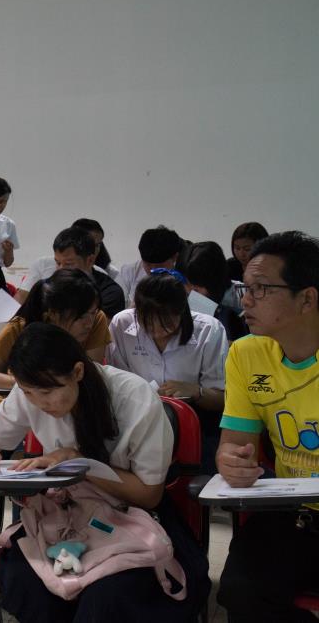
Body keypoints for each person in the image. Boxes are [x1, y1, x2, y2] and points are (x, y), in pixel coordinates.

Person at [0, 322, 209, 622]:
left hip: (133, 518)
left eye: (48, 392)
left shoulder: (134, 398)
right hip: (67, 516)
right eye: (29, 393)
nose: (39, 403)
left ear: (78, 372)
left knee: (108, 595)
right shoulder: (29, 391)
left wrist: (79, 463)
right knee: (23, 576)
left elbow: (148, 495)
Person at [215, 231, 319, 623]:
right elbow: (233, 442)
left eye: (261, 289)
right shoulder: (246, 354)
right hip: (292, 511)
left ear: (306, 298)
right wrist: (231, 462)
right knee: (240, 591)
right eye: (245, 287)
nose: (245, 300)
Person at [108, 270, 228, 472]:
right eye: (147, 323)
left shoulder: (209, 329)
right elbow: (115, 385)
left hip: (195, 422)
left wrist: (196, 391)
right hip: (135, 421)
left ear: (182, 312)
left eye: (166, 323)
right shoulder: (122, 324)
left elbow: (222, 399)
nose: (156, 330)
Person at [0, 269, 110, 389]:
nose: (89, 323)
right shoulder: (20, 328)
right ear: (53, 314)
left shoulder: (97, 320)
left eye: (93, 312)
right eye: (81, 316)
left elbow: (90, 377)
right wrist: (33, 384)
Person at [15, 227, 125, 317]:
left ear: (90, 260)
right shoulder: (45, 289)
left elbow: (97, 332)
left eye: (69, 264)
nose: (61, 270)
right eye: (58, 263)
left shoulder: (109, 293)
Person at [177, 241, 248, 341]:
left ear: (215, 279)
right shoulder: (182, 295)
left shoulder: (242, 295)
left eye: (196, 287)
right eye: (186, 284)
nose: (191, 292)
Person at [116, 226, 184, 308]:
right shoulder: (129, 271)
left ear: (175, 257)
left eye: (159, 265)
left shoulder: (184, 276)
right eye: (147, 264)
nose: (153, 270)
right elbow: (116, 305)